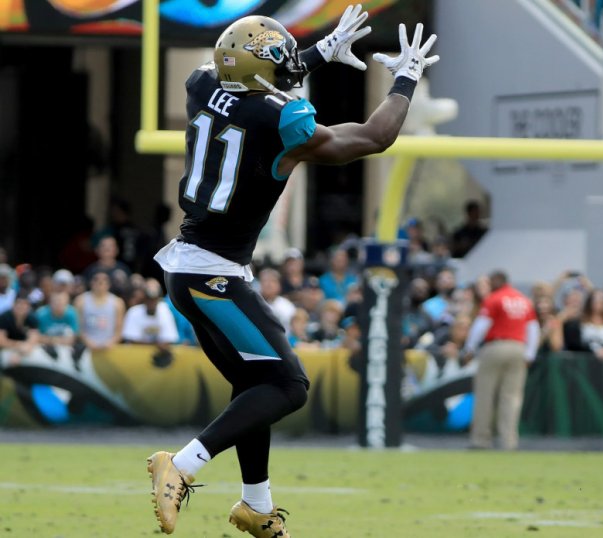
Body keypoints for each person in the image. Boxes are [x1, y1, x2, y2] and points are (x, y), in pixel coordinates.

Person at [147, 6, 439, 536]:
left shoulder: (201, 85)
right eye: (277, 57)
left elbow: (250, 87)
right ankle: (183, 465)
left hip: (190, 266)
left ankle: (256, 506)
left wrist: (321, 52)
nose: (288, 64)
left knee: (253, 383)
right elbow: (375, 137)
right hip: (214, 275)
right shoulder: (284, 119)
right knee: (287, 386)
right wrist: (406, 76)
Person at [463, 270, 539, 450]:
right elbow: (533, 328)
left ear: (495, 282)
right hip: (518, 348)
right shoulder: (524, 301)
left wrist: (470, 348)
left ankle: (481, 440)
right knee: (512, 398)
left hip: (495, 346)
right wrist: (530, 354)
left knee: (485, 395)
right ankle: (509, 441)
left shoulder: (494, 299)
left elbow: (481, 325)